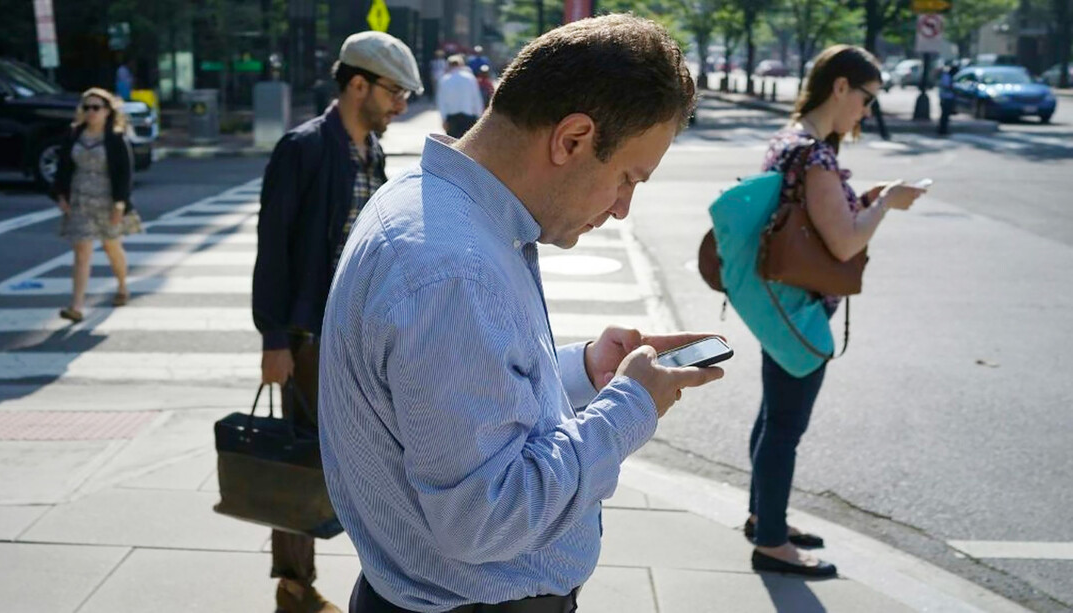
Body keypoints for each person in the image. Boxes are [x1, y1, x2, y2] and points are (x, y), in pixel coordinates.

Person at [320, 14, 724, 612]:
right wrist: (629, 406)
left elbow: (462, 407)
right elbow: (485, 518)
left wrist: (583, 371)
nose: (621, 208)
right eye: (627, 178)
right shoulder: (453, 270)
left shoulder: (430, 204)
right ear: (572, 139)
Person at [252, 30, 422, 613]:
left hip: (362, 334)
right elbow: (272, 249)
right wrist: (275, 338)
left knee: (370, 460)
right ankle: (293, 589)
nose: (402, 105)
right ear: (358, 84)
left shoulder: (370, 151)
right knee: (300, 462)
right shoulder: (302, 149)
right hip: (308, 336)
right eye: (396, 92)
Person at [745, 44, 925, 577]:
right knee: (784, 426)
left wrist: (864, 200)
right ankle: (772, 543)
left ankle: (764, 517)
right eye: (866, 98)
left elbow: (814, 219)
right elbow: (844, 244)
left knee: (772, 416)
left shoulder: (788, 142)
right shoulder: (815, 155)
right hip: (801, 309)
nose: (867, 112)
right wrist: (885, 203)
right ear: (841, 86)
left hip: (779, 300)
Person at [52, 87, 142, 323]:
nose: (91, 112)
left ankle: (122, 286)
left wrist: (120, 204)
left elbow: (125, 173)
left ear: (107, 111)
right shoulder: (74, 135)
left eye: (96, 107)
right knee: (82, 252)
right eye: (87, 107)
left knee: (112, 247)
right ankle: (77, 306)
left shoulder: (115, 137)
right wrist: (61, 195)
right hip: (79, 199)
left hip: (108, 200)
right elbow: (63, 167)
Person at [436, 54, 484, 138]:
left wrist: (443, 119)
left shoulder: (444, 80)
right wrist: (479, 116)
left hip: (452, 117)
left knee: (453, 145)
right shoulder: (470, 78)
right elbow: (476, 98)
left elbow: (441, 101)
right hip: (468, 116)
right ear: (462, 65)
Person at [938, 61, 958, 136]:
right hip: (945, 97)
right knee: (944, 115)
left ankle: (944, 129)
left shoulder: (948, 76)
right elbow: (946, 86)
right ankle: (942, 130)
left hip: (948, 97)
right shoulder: (946, 76)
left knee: (946, 115)